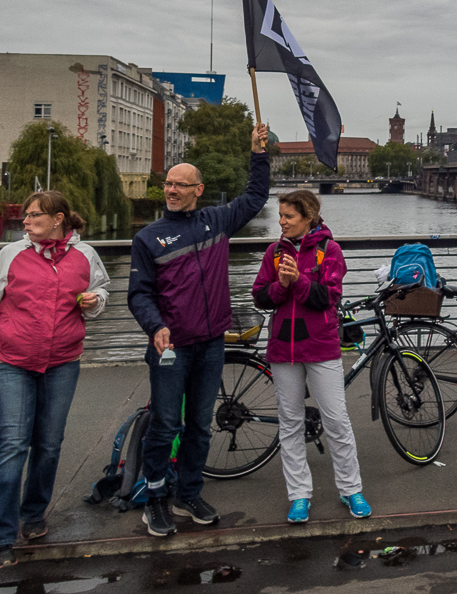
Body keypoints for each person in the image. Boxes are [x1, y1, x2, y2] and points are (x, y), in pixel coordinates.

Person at [0, 191, 109, 571]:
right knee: (12, 444)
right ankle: (0, 537)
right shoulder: (11, 255)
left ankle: (33, 515)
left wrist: (94, 301)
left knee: (48, 444)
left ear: (59, 219)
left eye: (35, 215)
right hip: (12, 362)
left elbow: (101, 291)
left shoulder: (86, 256)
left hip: (63, 363)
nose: (26, 220)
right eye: (27, 215)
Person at [128, 122, 270, 537]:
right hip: (171, 347)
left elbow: (256, 196)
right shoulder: (149, 238)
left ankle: (187, 494)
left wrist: (258, 154)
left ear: (198, 190)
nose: (171, 190)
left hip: (210, 343)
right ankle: (155, 499)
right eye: (168, 184)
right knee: (165, 424)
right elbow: (139, 295)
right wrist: (155, 326)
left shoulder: (217, 222)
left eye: (179, 185)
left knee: (200, 425)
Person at [251, 190, 370, 522]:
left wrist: (298, 281)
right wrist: (282, 286)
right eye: (281, 215)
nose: (282, 221)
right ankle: (299, 494)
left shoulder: (328, 251)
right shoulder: (274, 252)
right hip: (282, 348)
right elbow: (260, 295)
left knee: (336, 419)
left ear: (308, 217)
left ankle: (351, 489)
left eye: (288, 216)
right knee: (290, 423)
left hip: (320, 346)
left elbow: (328, 298)